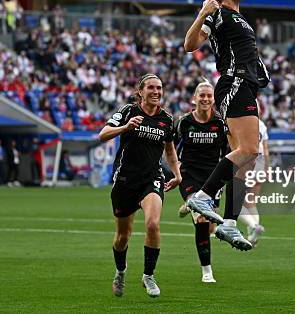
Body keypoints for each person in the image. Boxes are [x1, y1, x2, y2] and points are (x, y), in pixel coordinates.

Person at [183, 0, 270, 251]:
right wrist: (201, 14)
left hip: (247, 84)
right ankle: (203, 195)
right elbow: (190, 44)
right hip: (234, 83)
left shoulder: (240, 18)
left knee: (244, 165)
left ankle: (230, 223)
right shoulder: (217, 12)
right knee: (250, 151)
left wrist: (259, 69)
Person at [98, 74, 181, 298]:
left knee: (153, 224)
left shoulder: (166, 118)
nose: (156, 92)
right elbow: (102, 135)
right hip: (125, 179)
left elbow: (170, 150)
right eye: (151, 88)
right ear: (141, 91)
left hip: (151, 178)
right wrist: (125, 127)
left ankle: (148, 275)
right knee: (122, 236)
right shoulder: (128, 111)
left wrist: (177, 174)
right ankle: (120, 271)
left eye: (159, 88)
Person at [171, 81, 228, 283]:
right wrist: (175, 167)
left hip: (213, 178)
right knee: (202, 220)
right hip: (189, 175)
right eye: (201, 95)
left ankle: (190, 205)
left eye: (208, 96)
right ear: (194, 98)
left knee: (211, 227)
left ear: (213, 99)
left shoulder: (221, 123)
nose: (205, 99)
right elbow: (169, 145)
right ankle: (207, 271)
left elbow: (228, 152)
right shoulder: (184, 122)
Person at [239, 116, 269, 246]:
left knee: (235, 205)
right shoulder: (262, 124)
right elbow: (265, 148)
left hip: (247, 162)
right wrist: (267, 167)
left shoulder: (241, 122)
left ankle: (254, 226)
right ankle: (253, 237)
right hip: (260, 162)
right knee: (251, 203)